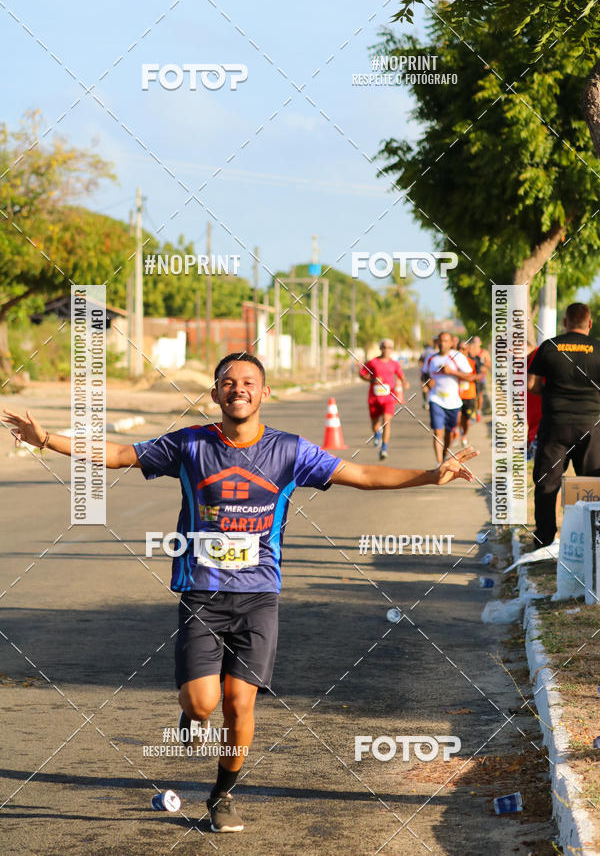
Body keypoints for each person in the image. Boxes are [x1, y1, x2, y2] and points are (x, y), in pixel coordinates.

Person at [3, 352, 477, 834]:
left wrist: (429, 475)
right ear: (214, 394)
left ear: (264, 392)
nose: (238, 388)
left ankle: (222, 795)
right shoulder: (190, 444)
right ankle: (192, 716)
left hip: (259, 596)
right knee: (201, 703)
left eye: (249, 381)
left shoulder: (290, 451)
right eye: (227, 381)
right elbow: (120, 454)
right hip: (201, 594)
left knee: (239, 702)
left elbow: (363, 476)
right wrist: (47, 440)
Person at [527, 303, 600, 546]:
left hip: (555, 425)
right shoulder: (599, 348)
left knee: (547, 483)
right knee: (592, 484)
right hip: (591, 426)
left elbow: (532, 385)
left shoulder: (549, 347)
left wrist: (551, 392)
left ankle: (545, 539)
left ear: (565, 322)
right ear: (589, 323)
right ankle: (592, 541)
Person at [424, 332, 478, 463]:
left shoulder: (457, 357)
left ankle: (444, 454)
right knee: (437, 432)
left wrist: (452, 372)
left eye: (446, 341)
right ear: (437, 342)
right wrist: (427, 383)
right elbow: (424, 375)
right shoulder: (431, 359)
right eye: (440, 341)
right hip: (435, 399)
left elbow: (470, 376)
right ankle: (439, 463)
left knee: (449, 433)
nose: (442, 344)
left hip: (453, 402)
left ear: (450, 343)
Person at [359, 339, 410, 460]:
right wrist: (372, 380)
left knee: (386, 422)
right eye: (384, 347)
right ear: (380, 348)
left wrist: (405, 382)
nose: (386, 350)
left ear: (392, 350)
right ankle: (377, 434)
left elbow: (401, 375)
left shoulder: (394, 364)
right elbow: (361, 374)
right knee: (375, 424)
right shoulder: (373, 362)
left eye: (389, 347)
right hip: (374, 398)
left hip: (388, 398)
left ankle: (384, 448)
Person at [419, 337, 438, 409]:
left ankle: (432, 402)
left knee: (432, 388)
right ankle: (425, 402)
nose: (436, 343)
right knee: (424, 387)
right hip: (426, 373)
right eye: (435, 341)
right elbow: (420, 360)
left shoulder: (443, 351)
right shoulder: (428, 350)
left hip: (436, 374)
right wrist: (423, 366)